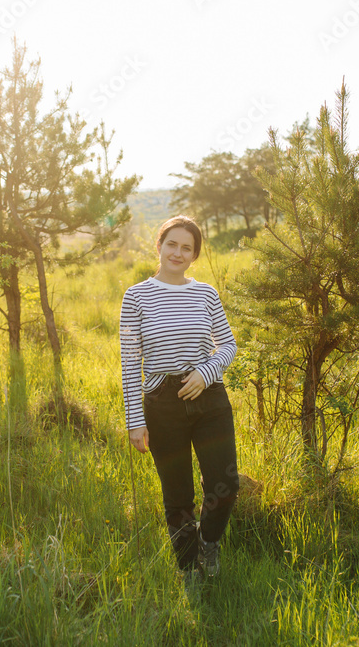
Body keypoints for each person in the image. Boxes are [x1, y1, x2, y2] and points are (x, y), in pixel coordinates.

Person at [119, 215, 239, 581]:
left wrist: (206, 373)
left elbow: (229, 344)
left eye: (187, 247)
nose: (178, 252)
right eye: (172, 244)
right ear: (159, 246)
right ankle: (188, 569)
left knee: (226, 484)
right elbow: (129, 361)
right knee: (178, 495)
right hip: (163, 402)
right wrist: (134, 420)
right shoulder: (136, 296)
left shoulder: (205, 293)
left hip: (209, 398)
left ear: (195, 255)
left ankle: (209, 541)